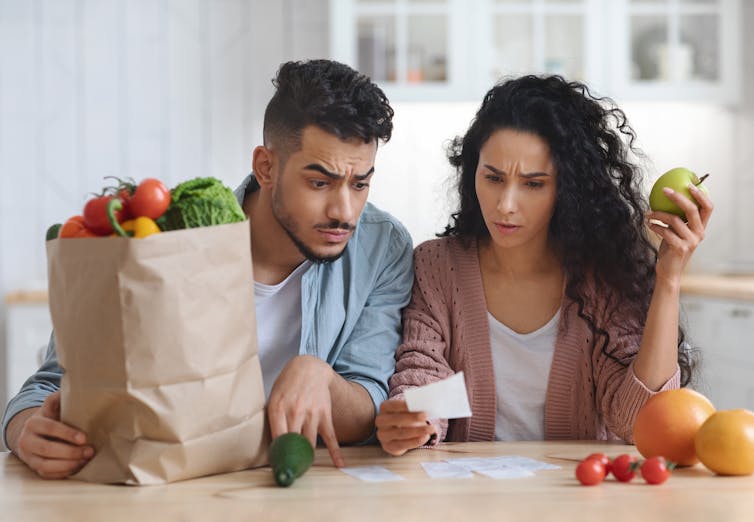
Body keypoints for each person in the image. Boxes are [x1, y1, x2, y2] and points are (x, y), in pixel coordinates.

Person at [3, 59, 414, 477]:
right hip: (157, 485)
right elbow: (49, 385)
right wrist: (24, 432)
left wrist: (320, 376)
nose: (344, 212)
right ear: (266, 167)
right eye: (319, 183)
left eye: (360, 183)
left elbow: (370, 407)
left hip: (290, 486)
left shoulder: (383, 247)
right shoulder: (165, 237)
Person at [375, 75, 712, 456]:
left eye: (533, 184)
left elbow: (638, 421)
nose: (505, 204)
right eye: (493, 178)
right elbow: (423, 375)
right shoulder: (437, 265)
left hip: (578, 500)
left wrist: (668, 278)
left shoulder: (603, 276)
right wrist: (410, 420)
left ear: (566, 190)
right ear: (473, 174)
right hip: (467, 498)